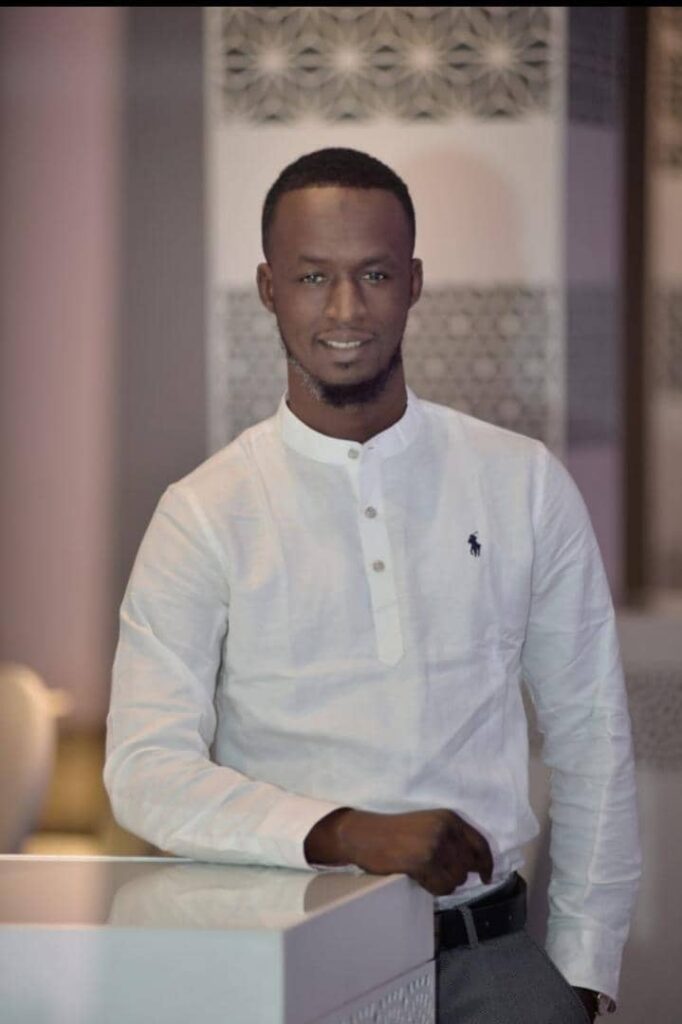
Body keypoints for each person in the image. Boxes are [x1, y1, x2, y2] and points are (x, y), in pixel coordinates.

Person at [105, 148, 641, 1022]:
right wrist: (345, 832)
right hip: (285, 962)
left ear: (415, 282)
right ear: (270, 288)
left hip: (488, 956)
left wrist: (582, 970)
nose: (346, 309)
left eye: (376, 275)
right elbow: (144, 770)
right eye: (313, 276)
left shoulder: (521, 483)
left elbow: (592, 736)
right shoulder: (203, 512)